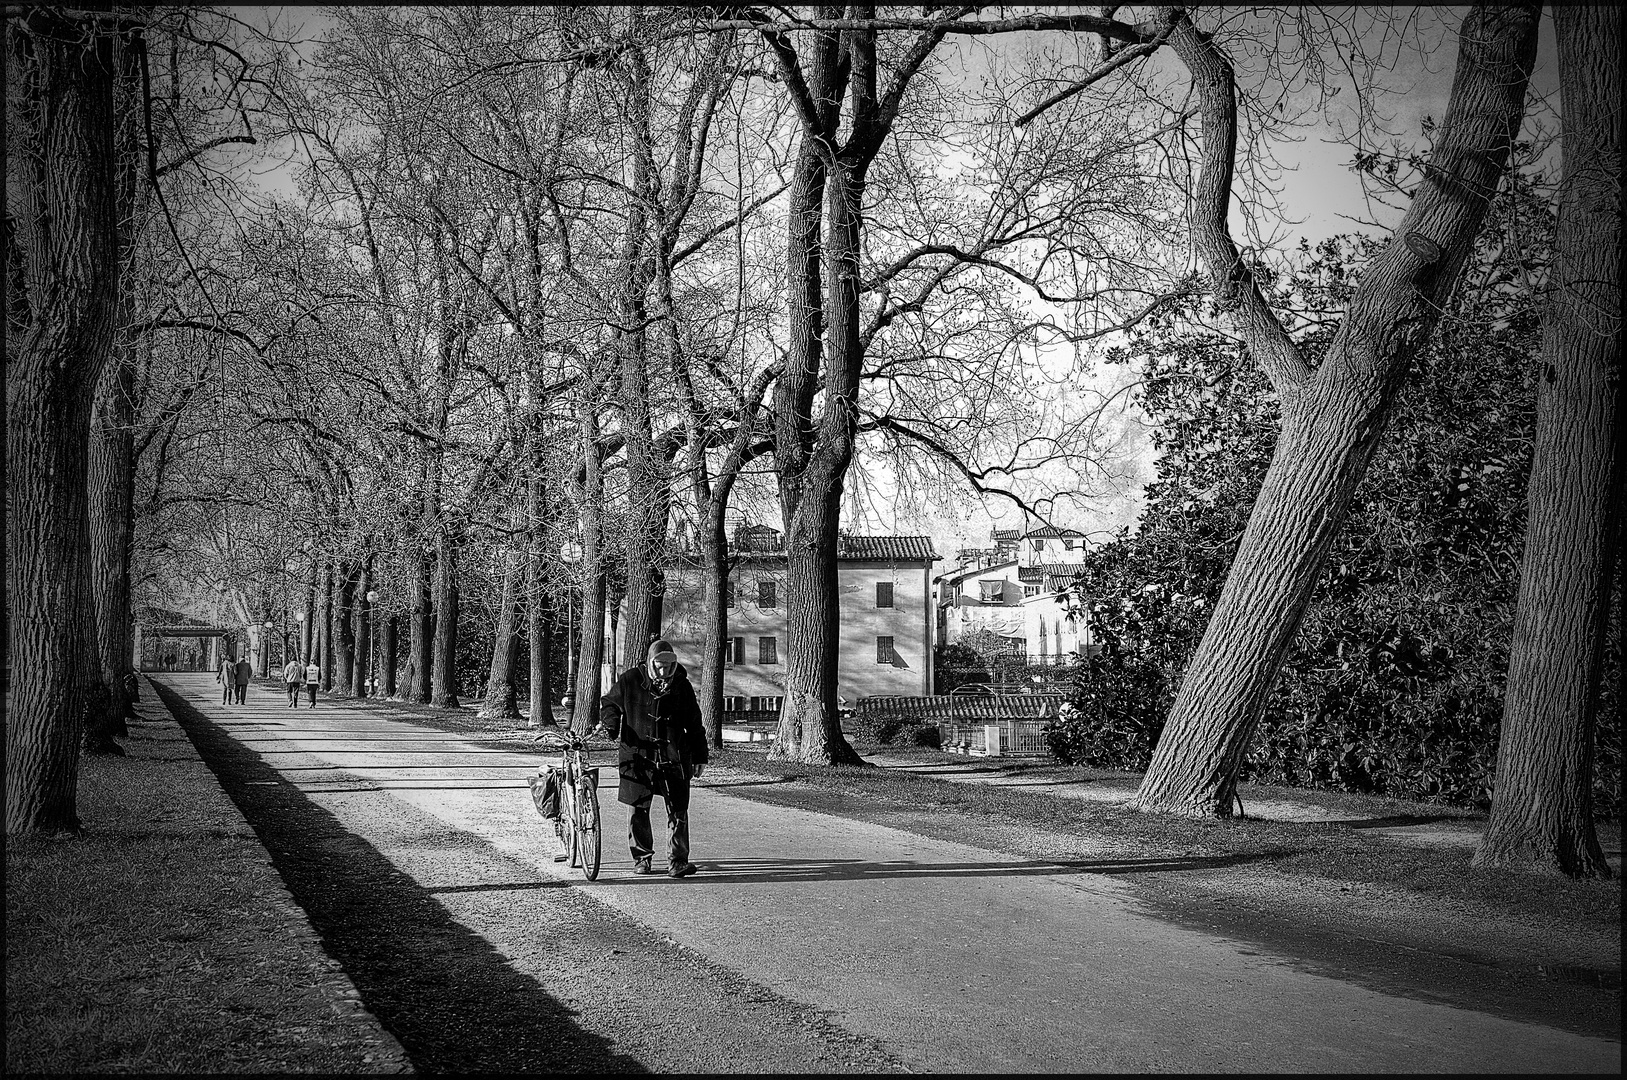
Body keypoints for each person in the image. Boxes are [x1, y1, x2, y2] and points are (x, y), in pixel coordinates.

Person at [598, 638, 709, 879]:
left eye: (669, 666)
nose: (664, 670)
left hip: (674, 755)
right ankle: (642, 858)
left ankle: (678, 862)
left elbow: (694, 723)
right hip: (638, 754)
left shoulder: (682, 686)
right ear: (650, 662)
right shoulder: (630, 680)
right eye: (659, 665)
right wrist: (611, 723)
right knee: (638, 808)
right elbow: (609, 704)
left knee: (678, 810)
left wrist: (700, 756)